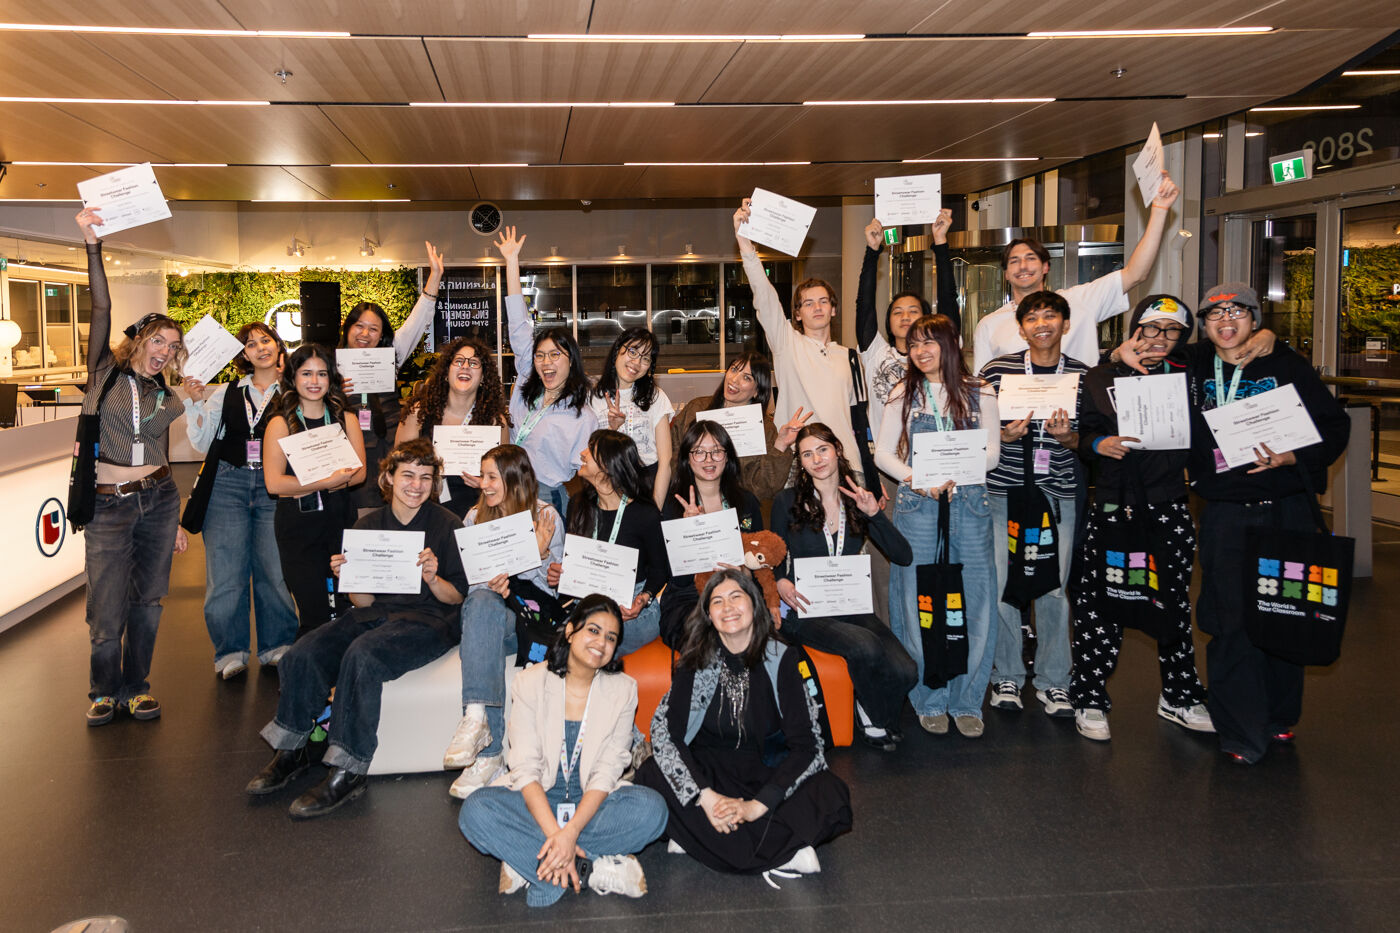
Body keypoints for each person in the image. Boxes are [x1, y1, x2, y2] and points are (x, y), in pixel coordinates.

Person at [1172, 284, 1348, 764]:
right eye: (1215, 314)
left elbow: (1334, 428)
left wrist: (1294, 455)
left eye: (1238, 312)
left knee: (1286, 615)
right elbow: (1142, 351)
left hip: (1286, 509)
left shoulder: (1285, 364)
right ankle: (1239, 730)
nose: (1226, 321)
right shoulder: (1191, 365)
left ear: (1255, 319)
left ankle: (1278, 717)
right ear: (1204, 326)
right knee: (1231, 622)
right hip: (1227, 514)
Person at [246, 438, 468, 817]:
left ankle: (349, 768)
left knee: (363, 655)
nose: (416, 485)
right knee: (303, 653)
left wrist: (432, 578)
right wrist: (351, 580)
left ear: (435, 484)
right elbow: (363, 603)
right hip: (374, 614)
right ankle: (294, 747)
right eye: (408, 476)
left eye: (426, 478)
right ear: (388, 478)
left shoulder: (447, 525)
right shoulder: (368, 526)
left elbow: (457, 598)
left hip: (428, 620)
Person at [634, 569, 852, 880]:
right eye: (717, 601)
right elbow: (669, 736)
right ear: (708, 614)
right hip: (708, 774)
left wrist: (756, 807)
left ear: (754, 604)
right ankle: (781, 849)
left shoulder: (783, 658)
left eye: (736, 596)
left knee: (831, 793)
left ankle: (698, 839)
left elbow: (807, 747)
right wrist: (706, 798)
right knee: (651, 774)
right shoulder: (694, 660)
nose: (728, 607)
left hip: (766, 773)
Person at [458, 595, 669, 906]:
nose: (601, 642)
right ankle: (590, 869)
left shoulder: (623, 689)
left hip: (591, 804)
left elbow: (607, 771)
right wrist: (557, 832)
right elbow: (526, 768)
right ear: (570, 631)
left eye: (611, 637)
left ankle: (531, 861)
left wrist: (569, 835)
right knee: (475, 811)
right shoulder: (530, 682)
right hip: (538, 800)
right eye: (593, 630)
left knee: (653, 810)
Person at [1070, 296, 1212, 742]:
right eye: (1151, 328)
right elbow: (1083, 430)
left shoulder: (1192, 371)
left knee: (1171, 604)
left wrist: (1266, 336)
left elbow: (1234, 343)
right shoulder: (1100, 375)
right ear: (1135, 329)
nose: (1159, 339)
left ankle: (1180, 695)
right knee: (1100, 604)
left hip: (1169, 503)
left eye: (1171, 331)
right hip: (1113, 503)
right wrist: (1098, 446)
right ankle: (1090, 696)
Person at [74, 207, 189, 726]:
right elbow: (101, 305)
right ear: (140, 340)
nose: (165, 351)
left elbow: (158, 449)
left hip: (160, 499)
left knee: (149, 600)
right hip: (108, 504)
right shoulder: (104, 374)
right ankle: (103, 690)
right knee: (106, 604)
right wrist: (93, 246)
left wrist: (178, 513)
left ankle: (137, 687)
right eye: (158, 341)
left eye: (173, 345)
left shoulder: (164, 390)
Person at [875, 314, 1001, 738]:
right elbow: (884, 455)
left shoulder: (980, 390)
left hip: (970, 502)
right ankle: (930, 698)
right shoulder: (902, 393)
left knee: (976, 601)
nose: (922, 351)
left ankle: (967, 699)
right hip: (919, 505)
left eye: (931, 342)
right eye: (914, 344)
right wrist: (918, 479)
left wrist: (959, 470)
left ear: (953, 343)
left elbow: (993, 455)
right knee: (917, 602)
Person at [770, 424, 916, 750]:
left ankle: (869, 708)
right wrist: (780, 578)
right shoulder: (787, 501)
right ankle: (877, 719)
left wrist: (875, 514)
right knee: (864, 647)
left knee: (907, 671)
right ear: (801, 462)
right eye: (807, 454)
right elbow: (774, 551)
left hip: (849, 604)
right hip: (804, 607)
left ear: (837, 449)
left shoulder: (857, 500)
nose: (816, 459)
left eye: (822, 449)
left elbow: (903, 556)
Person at [979, 291, 1087, 717]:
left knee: (1055, 587)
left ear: (1065, 323)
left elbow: (1090, 442)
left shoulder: (1081, 375)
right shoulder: (996, 371)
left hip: (1056, 494)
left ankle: (1054, 679)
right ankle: (1007, 673)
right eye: (1033, 318)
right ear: (1021, 328)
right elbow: (974, 429)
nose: (1042, 323)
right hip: (1003, 493)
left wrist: (1069, 439)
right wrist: (1000, 437)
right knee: (1004, 585)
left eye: (1051, 316)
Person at [443, 444, 565, 797]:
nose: (484, 485)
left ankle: (484, 740)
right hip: (490, 617)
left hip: (528, 620)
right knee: (482, 600)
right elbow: (476, 584)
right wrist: (521, 561)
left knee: (485, 605)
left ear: (514, 479)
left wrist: (541, 557)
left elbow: (552, 594)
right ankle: (482, 733)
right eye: (483, 476)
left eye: (492, 477)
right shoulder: (472, 518)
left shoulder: (546, 517)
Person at [180, 321, 299, 679]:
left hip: (274, 487)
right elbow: (202, 444)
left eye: (266, 340)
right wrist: (196, 403)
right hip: (227, 485)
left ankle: (277, 645)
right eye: (251, 344)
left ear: (278, 347)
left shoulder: (295, 391)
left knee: (274, 572)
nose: (260, 347)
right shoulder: (226, 392)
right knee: (225, 575)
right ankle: (229, 651)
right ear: (243, 355)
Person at [971, 173, 1182, 373]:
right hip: (1018, 412)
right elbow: (982, 386)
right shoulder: (989, 325)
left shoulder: (1080, 301)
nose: (1023, 266)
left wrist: (1160, 210)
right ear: (1006, 274)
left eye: (1031, 258)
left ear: (1046, 267)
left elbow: (1136, 273)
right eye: (1014, 261)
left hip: (1081, 409)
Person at [733, 199, 866, 483]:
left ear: (833, 309)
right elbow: (765, 298)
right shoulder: (787, 344)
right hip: (798, 463)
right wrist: (746, 245)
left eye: (823, 301)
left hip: (847, 464)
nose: (817, 308)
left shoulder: (849, 357)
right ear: (797, 313)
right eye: (808, 303)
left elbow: (858, 420)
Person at [262, 344, 366, 634]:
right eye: (306, 373)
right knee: (314, 611)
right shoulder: (280, 424)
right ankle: (309, 671)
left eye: (321, 374)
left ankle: (343, 673)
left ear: (331, 378)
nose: (314, 381)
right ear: (293, 378)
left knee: (345, 605)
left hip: (340, 522)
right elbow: (274, 484)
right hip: (298, 529)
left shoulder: (346, 418)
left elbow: (359, 474)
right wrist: (328, 482)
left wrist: (321, 483)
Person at [499, 226, 598, 514]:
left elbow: (585, 475)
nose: (546, 362)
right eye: (540, 355)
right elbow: (518, 324)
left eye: (555, 355)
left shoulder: (583, 416)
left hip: (547, 496)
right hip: (505, 485)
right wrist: (511, 261)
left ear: (571, 361)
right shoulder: (526, 387)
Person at [340, 241, 442, 516]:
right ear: (347, 328)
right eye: (359, 326)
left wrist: (434, 277)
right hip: (352, 456)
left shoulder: (389, 357)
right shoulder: (330, 366)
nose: (365, 334)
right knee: (359, 523)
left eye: (374, 329)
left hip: (390, 451)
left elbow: (416, 323)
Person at [549, 430, 669, 656]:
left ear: (608, 464)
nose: (582, 454)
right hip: (587, 602)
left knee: (579, 643)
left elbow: (660, 570)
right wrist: (560, 574)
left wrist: (643, 599)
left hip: (630, 608)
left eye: (590, 451)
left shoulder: (645, 514)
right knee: (573, 639)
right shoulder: (579, 504)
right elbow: (576, 561)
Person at [658, 420, 766, 649]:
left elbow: (763, 560)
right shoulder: (673, 505)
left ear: (727, 457)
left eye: (716, 451)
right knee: (708, 640)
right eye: (699, 452)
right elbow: (675, 578)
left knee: (753, 636)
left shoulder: (747, 502)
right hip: (688, 597)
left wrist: (744, 572)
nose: (708, 460)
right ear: (688, 458)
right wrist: (688, 534)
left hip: (738, 593)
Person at [857, 208, 959, 445]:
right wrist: (872, 251)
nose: (905, 316)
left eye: (914, 311)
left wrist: (941, 243)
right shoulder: (876, 352)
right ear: (888, 321)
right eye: (897, 312)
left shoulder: (940, 351)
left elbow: (948, 298)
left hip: (936, 453)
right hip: (886, 460)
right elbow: (864, 303)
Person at [395, 335, 510, 518]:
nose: (465, 366)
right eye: (458, 361)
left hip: (478, 513)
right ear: (446, 373)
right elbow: (398, 470)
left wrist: (486, 483)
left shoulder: (496, 422)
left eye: (474, 363)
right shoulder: (418, 414)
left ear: (483, 378)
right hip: (425, 512)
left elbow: (505, 482)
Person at [669, 352, 809, 502]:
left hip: (739, 508)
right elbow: (672, 457)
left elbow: (765, 488)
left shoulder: (764, 428)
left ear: (757, 390)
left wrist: (781, 444)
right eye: (734, 369)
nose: (734, 380)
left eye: (747, 378)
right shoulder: (696, 408)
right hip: (690, 501)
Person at [589, 327, 674, 507]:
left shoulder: (656, 397)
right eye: (632, 351)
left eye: (645, 358)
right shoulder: (593, 398)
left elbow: (665, 461)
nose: (636, 362)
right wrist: (613, 428)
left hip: (651, 483)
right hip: (609, 484)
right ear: (617, 351)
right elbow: (593, 456)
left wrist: (655, 507)